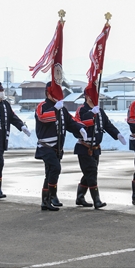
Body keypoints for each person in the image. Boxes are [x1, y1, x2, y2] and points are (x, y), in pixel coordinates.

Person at [34, 81, 87, 211]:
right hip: (46, 145)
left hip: (57, 147)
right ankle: (49, 197)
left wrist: (80, 128)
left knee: (51, 172)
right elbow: (43, 117)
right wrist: (55, 109)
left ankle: (48, 199)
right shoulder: (43, 106)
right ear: (48, 92)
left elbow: (70, 121)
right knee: (55, 169)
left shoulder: (61, 108)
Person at [74, 87, 127, 209]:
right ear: (87, 97)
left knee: (89, 173)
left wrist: (117, 134)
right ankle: (96, 200)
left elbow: (107, 125)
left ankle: (80, 197)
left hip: (96, 148)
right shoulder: (81, 110)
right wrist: (91, 113)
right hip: (84, 147)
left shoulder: (100, 111)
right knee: (91, 172)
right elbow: (79, 122)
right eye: (93, 96)